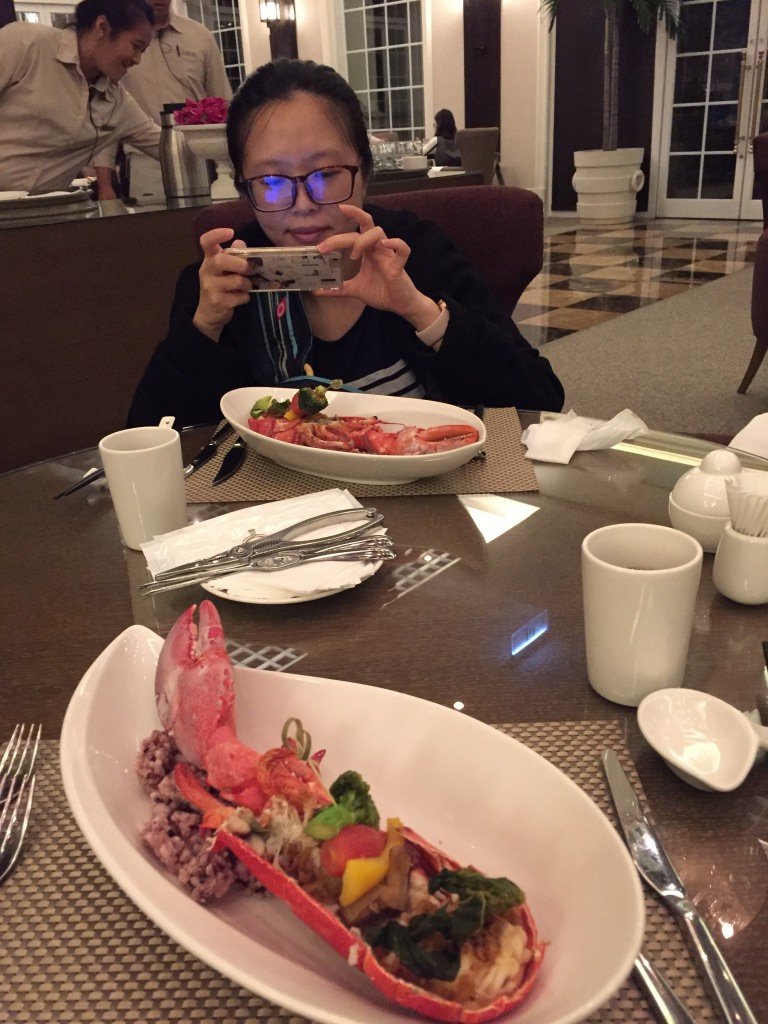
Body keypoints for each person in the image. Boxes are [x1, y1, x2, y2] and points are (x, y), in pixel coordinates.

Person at [127, 59, 563, 427]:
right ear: (245, 188)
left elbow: (539, 398)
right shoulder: (225, 280)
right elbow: (152, 435)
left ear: (365, 172)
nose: (303, 205)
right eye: (272, 182)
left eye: (326, 174)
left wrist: (418, 309)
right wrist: (204, 327)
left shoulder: (414, 251)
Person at [0, 0, 161, 198]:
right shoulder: (25, 42)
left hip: (44, 212)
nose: (137, 60)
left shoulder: (117, 102)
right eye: (136, 46)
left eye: (142, 51)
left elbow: (164, 146)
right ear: (102, 26)